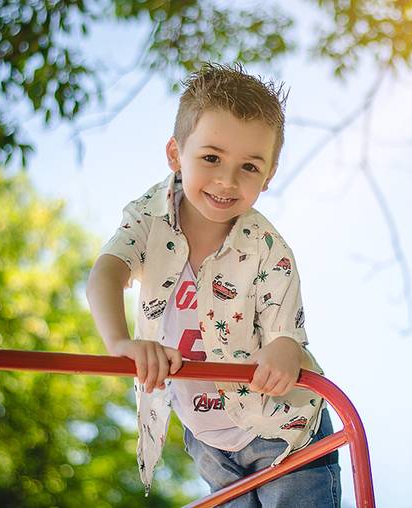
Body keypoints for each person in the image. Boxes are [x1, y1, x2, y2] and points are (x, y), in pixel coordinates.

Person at [85, 62, 341, 507]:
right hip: (208, 441)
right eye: (210, 158)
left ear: (270, 173)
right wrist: (120, 342)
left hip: (284, 431)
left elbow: (286, 339)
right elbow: (106, 272)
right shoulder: (148, 219)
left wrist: (284, 350)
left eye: (249, 166)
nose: (227, 180)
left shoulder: (268, 248)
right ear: (174, 153)